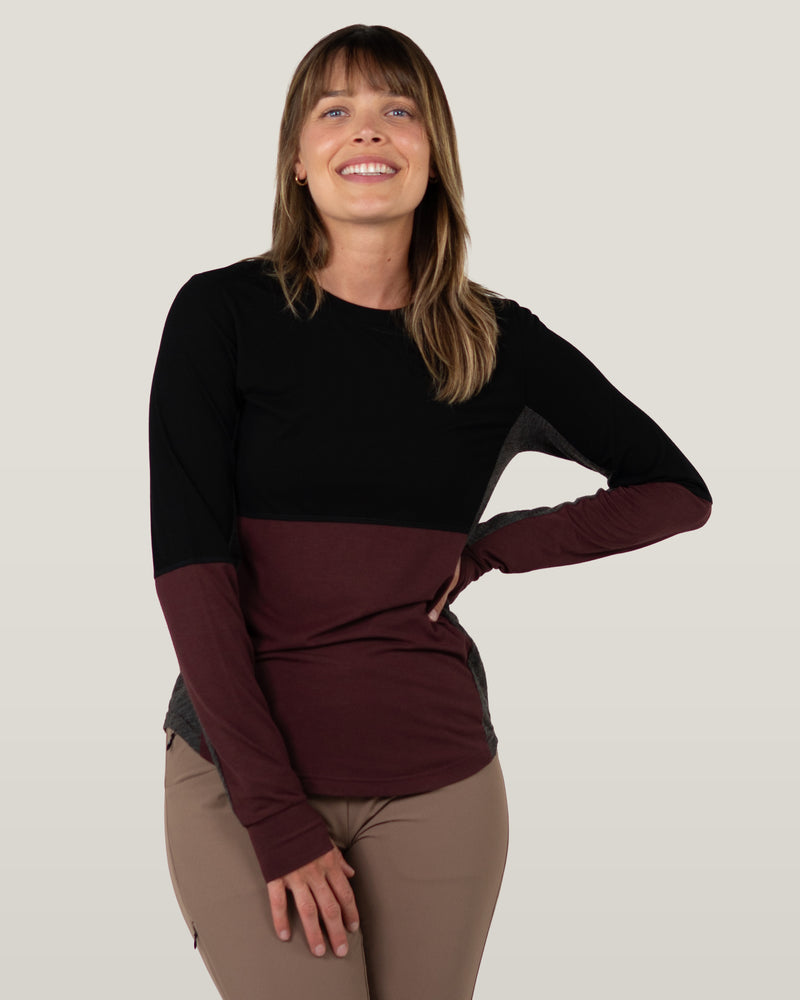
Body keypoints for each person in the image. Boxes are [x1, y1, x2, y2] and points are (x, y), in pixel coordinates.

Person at [148, 23, 712, 1000]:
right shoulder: (220, 316)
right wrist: (275, 817)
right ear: (297, 159)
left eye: (397, 108)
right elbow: (191, 578)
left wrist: (494, 548)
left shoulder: (498, 341)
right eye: (334, 109)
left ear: (433, 152)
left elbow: (674, 492)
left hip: (441, 781)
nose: (367, 129)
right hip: (241, 778)